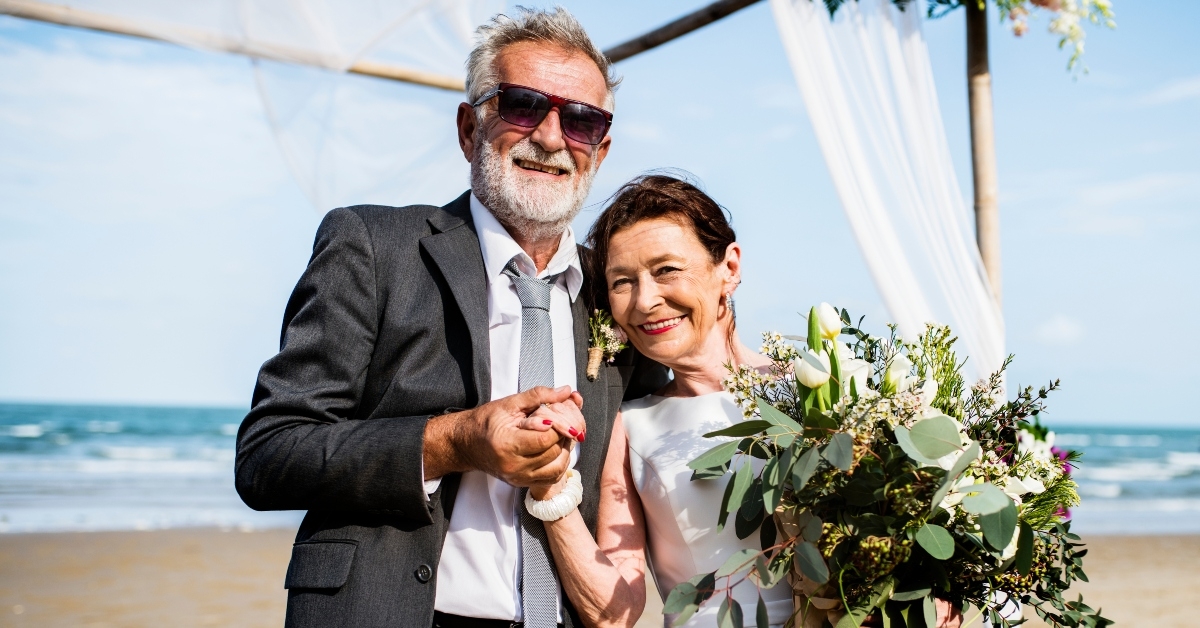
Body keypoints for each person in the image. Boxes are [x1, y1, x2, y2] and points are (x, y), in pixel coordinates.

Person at [234, 8, 666, 628]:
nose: (550, 137)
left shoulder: (619, 292)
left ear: (600, 148)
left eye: (580, 119)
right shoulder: (373, 246)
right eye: (522, 105)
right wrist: (453, 441)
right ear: (469, 128)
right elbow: (268, 454)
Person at [528, 175, 964, 628]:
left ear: (729, 268)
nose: (646, 300)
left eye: (666, 270)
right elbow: (612, 615)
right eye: (623, 282)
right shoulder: (630, 424)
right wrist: (549, 486)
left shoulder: (830, 390)